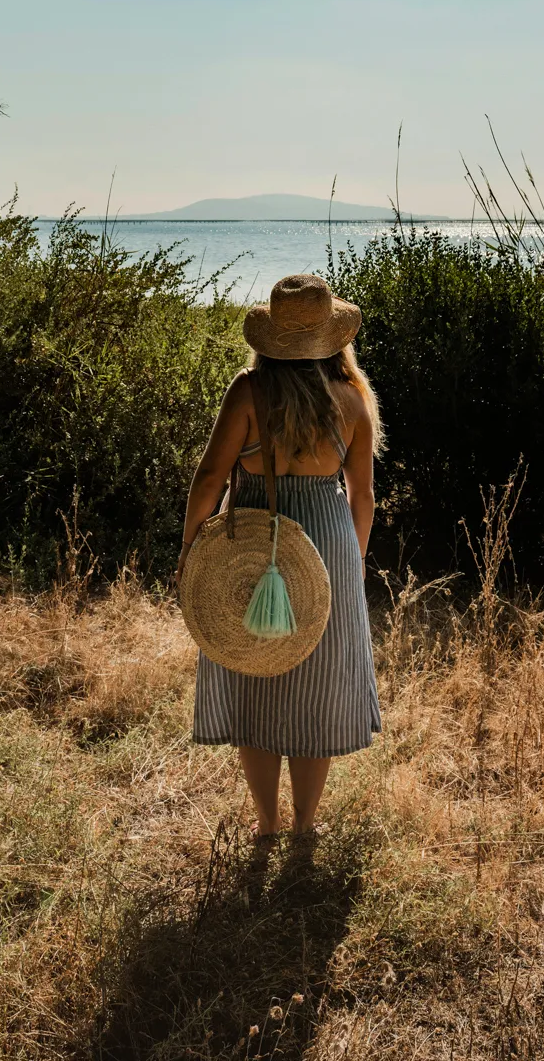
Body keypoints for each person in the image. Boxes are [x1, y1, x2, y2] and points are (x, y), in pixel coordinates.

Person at [177, 273, 382, 837]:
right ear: (332, 338)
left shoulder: (248, 391)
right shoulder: (352, 398)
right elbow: (362, 497)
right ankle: (304, 824)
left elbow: (210, 478)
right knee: (318, 689)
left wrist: (192, 546)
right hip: (327, 546)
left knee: (252, 679)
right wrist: (351, 566)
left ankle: (266, 824)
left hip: (250, 541)